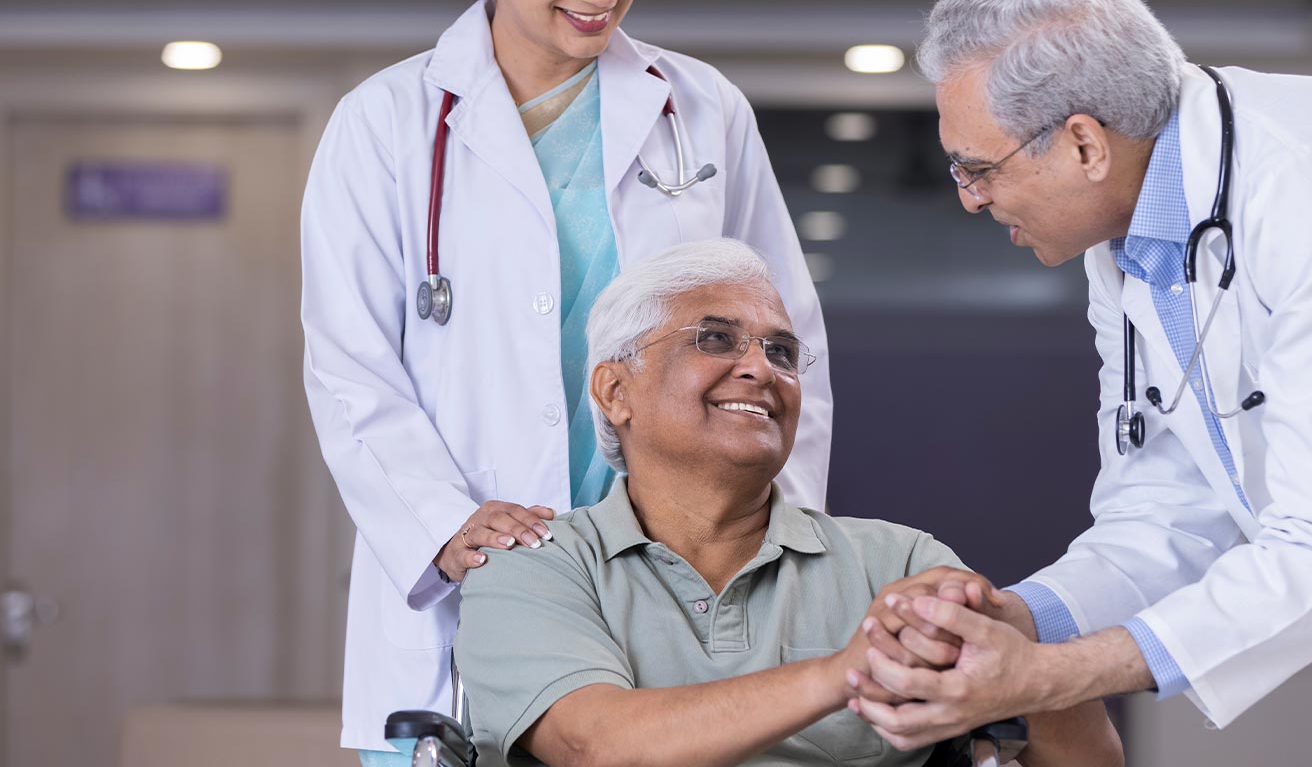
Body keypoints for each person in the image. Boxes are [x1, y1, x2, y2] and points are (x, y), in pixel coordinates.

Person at [299, 0, 832, 755]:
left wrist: (781, 547)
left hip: (679, 570)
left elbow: (787, 346)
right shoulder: (383, 124)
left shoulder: (700, 110)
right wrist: (442, 522)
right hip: (467, 598)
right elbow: (349, 367)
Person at [847, 0, 1312, 748]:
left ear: (1085, 145)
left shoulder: (1293, 192)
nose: (967, 198)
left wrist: (1048, 674)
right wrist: (1016, 617)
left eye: (978, 167)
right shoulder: (1129, 236)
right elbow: (1165, 509)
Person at [455, 239, 1121, 767]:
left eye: (781, 351)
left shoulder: (897, 562)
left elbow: (1091, 760)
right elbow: (594, 747)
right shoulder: (531, 563)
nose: (760, 368)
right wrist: (845, 673)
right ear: (614, 390)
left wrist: (1016, 640)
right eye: (715, 338)